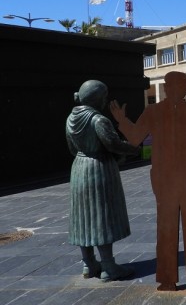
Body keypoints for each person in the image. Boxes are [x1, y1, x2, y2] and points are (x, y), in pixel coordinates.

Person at [109, 71, 186, 292]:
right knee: (168, 230)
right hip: (168, 183)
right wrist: (122, 121)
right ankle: (173, 279)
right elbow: (135, 138)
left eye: (174, 86)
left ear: (183, 90)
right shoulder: (156, 112)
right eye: (169, 85)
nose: (170, 89)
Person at [66, 80, 137, 282]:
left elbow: (72, 149)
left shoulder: (70, 119)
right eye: (104, 97)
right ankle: (108, 267)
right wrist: (135, 148)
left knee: (83, 218)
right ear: (97, 99)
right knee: (101, 217)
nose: (105, 101)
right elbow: (113, 145)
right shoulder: (99, 120)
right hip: (99, 169)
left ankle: (88, 265)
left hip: (79, 168)